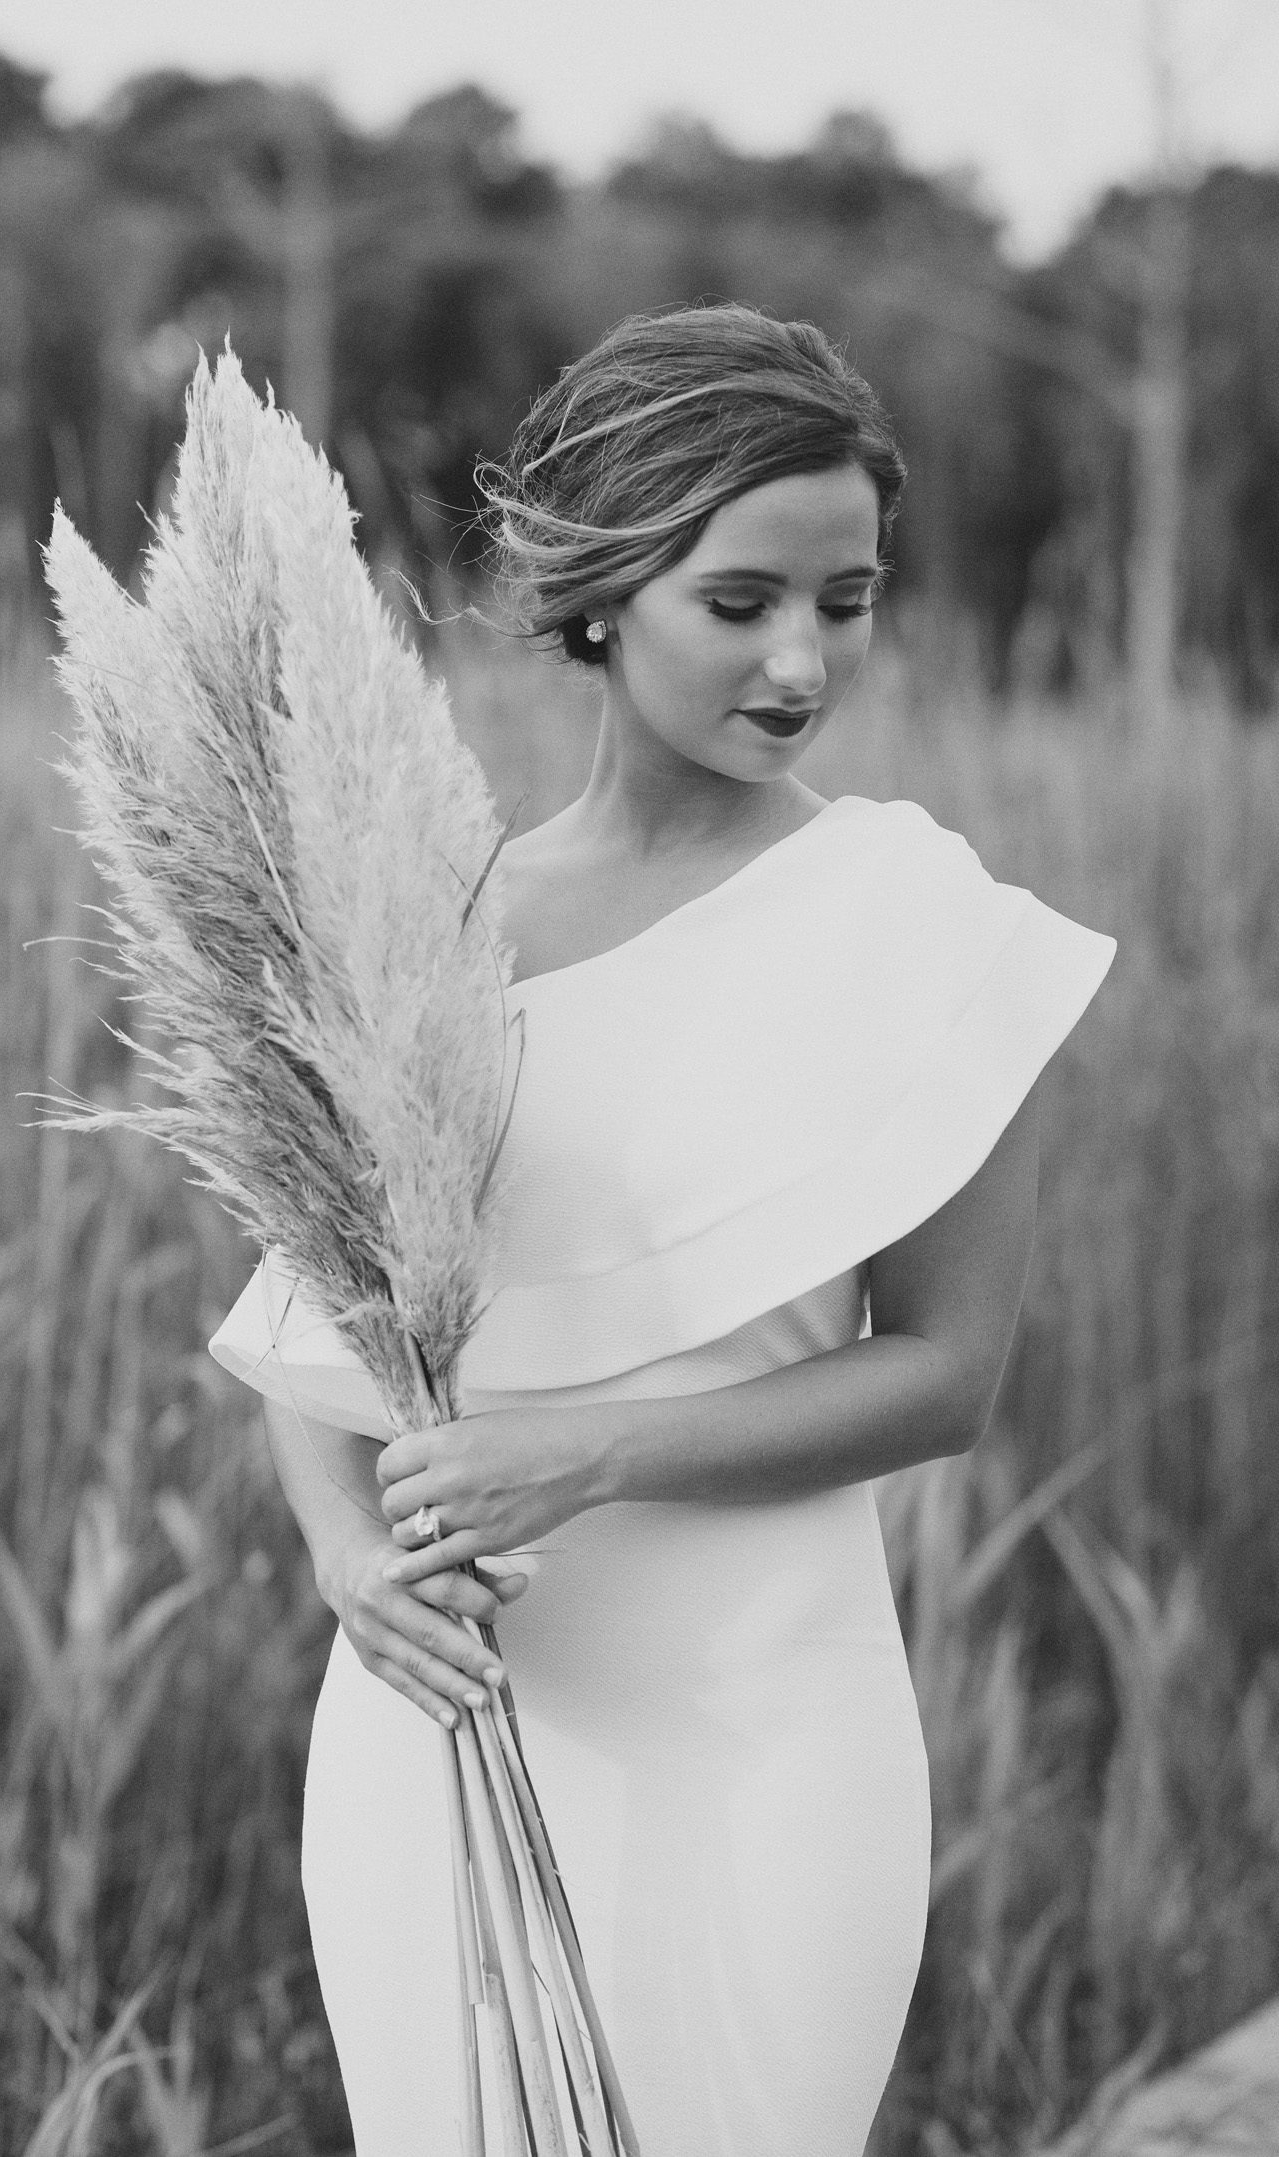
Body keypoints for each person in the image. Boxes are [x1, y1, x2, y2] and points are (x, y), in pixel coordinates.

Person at [209, 303, 1116, 2157]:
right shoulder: (427, 909)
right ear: (605, 587)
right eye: (743, 599)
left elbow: (942, 1378)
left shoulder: (921, 923)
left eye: (846, 600)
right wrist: (344, 1563)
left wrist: (587, 1452)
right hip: (440, 1723)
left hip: (766, 1727)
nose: (804, 657)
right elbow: (317, 1322)